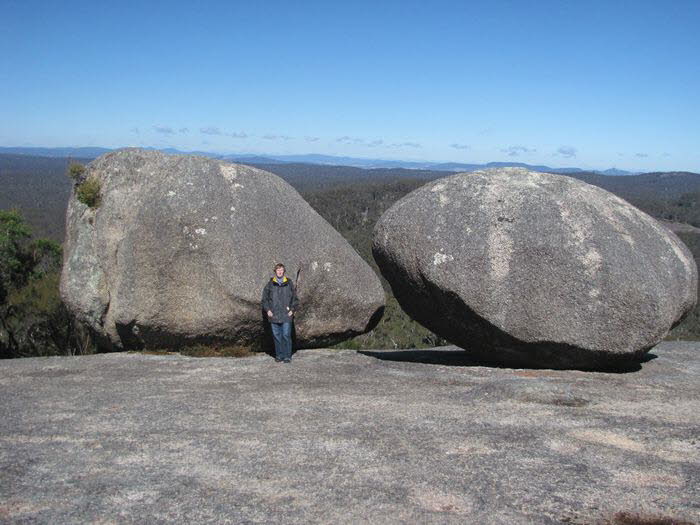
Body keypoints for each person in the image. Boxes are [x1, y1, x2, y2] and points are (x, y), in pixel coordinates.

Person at [261, 263, 300, 363]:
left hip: (286, 315)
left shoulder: (289, 283)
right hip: (274, 315)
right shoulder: (270, 284)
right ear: (275, 271)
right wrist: (268, 310)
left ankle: (287, 356)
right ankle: (279, 355)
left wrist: (292, 310)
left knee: (286, 335)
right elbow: (264, 299)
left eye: (281, 270)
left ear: (284, 271)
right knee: (277, 336)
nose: (279, 272)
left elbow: (295, 299)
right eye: (278, 270)